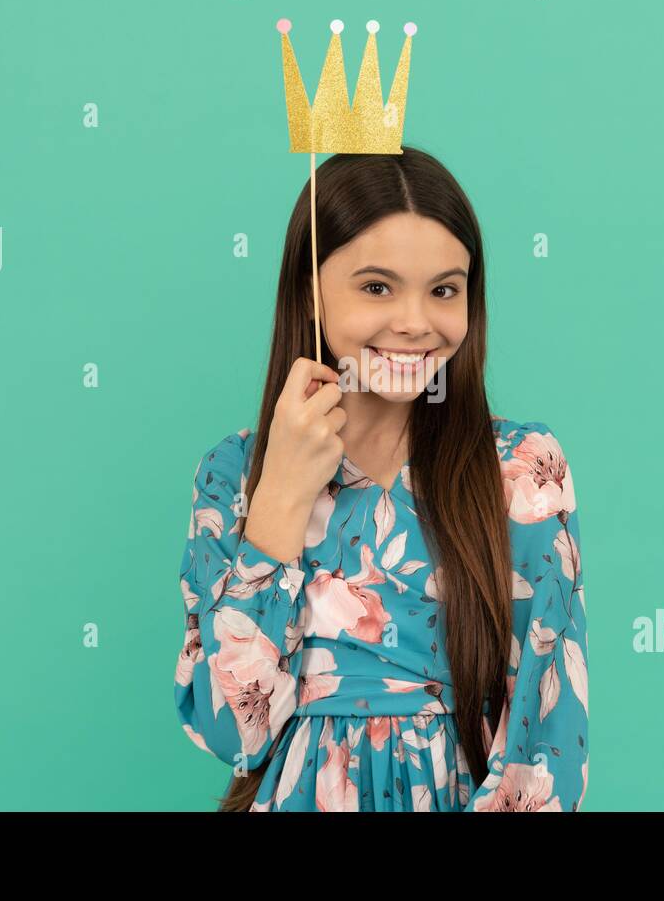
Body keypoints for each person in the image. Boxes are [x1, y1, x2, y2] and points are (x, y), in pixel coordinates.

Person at [174, 146, 588, 811]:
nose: (415, 322)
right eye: (376, 287)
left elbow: (548, 740)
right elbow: (233, 733)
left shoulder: (521, 468)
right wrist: (281, 495)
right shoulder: (234, 475)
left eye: (444, 290)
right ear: (310, 287)